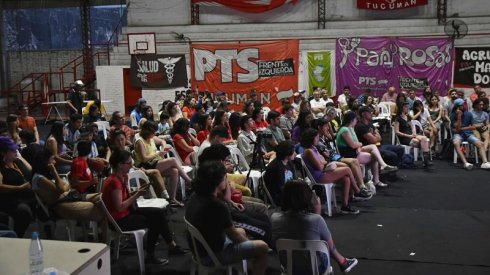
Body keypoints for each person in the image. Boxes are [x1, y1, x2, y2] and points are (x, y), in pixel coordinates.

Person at [102, 149, 186, 265]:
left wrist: (137, 191)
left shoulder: (122, 177)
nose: (132, 166)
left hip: (127, 212)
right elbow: (119, 207)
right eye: (129, 163)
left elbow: (124, 199)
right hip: (120, 220)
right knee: (156, 221)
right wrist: (137, 194)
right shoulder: (114, 182)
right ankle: (151, 255)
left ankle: (171, 245)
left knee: (159, 213)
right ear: (120, 165)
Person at [185, 161, 269, 275]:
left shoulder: (195, 196)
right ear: (218, 182)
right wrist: (250, 247)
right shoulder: (216, 205)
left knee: (242, 231)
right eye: (225, 178)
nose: (227, 181)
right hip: (212, 255)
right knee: (262, 247)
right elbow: (234, 236)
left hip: (198, 250)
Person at [271, 180, 358, 274]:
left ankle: (343, 262)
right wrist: (317, 211)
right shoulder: (316, 220)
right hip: (315, 268)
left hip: (289, 267)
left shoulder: (274, 218)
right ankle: (343, 262)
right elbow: (329, 246)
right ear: (307, 198)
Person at [31, 149, 106, 239]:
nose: (55, 162)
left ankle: (105, 238)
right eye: (52, 159)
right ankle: (106, 241)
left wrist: (65, 185)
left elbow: (66, 186)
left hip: (70, 197)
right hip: (59, 205)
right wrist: (55, 172)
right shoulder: (39, 178)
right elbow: (62, 188)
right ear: (45, 161)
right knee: (103, 210)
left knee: (102, 198)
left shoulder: (46, 175)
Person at [300, 128, 360, 214]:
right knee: (347, 169)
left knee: (346, 178)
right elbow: (320, 167)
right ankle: (357, 191)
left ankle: (345, 206)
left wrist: (322, 162)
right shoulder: (308, 151)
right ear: (311, 139)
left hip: (323, 172)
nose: (318, 139)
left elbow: (323, 160)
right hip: (319, 177)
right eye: (316, 138)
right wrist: (322, 163)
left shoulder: (313, 148)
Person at [134, 120, 191, 206]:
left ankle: (172, 199)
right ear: (147, 131)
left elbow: (162, 141)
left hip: (155, 163)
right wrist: (158, 153)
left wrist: (164, 147)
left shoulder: (151, 137)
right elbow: (144, 159)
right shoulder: (140, 141)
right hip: (145, 166)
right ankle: (190, 181)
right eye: (153, 132)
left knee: (174, 171)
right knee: (172, 160)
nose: (154, 134)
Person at [336, 111, 398, 187]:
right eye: (356, 120)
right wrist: (359, 145)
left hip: (355, 150)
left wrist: (358, 145)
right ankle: (376, 180)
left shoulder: (351, 129)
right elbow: (353, 145)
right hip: (349, 154)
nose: (356, 121)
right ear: (352, 120)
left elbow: (356, 143)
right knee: (374, 156)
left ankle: (383, 166)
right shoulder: (344, 130)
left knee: (373, 147)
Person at [0, 136, 34, 238]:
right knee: (24, 212)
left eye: (16, 149)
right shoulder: (1, 166)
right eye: (12, 150)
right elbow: (0, 187)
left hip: (23, 195)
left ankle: (48, 226)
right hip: (8, 198)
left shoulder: (16, 162)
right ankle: (17, 238)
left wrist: (20, 157)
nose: (16, 151)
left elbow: (31, 169)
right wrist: (20, 188)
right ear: (3, 153)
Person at [451, 98, 490, 170]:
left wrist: (463, 128)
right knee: (456, 143)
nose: (465, 105)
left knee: (481, 143)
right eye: (462, 104)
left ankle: (484, 162)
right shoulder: (453, 115)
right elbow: (456, 128)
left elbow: (473, 127)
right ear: (457, 106)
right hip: (458, 134)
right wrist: (459, 117)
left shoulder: (468, 114)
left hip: (468, 134)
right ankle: (465, 163)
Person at [394, 102, 434, 168]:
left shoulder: (408, 117)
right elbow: (397, 132)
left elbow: (413, 126)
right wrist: (408, 136)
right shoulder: (398, 119)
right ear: (402, 108)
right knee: (421, 142)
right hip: (404, 138)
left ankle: (426, 161)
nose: (408, 108)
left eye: (407, 107)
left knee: (424, 138)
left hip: (411, 135)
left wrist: (414, 132)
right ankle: (425, 162)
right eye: (406, 107)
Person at [263, 141, 296, 206]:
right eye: (293, 151)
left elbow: (294, 179)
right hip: (281, 196)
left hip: (288, 191)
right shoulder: (276, 167)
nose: (295, 153)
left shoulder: (288, 162)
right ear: (287, 153)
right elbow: (280, 188)